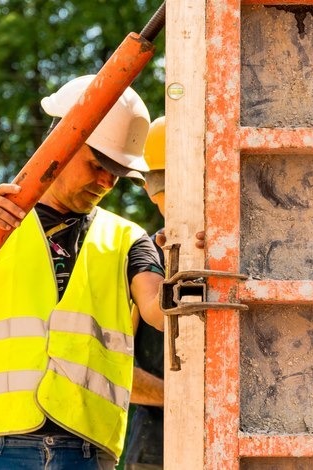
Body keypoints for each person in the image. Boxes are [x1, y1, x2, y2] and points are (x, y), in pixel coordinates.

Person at [0, 75, 167, 470]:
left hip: (87, 450)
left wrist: (190, 256)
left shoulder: (127, 238)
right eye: (98, 165)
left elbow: (159, 308)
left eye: (117, 173)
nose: (107, 182)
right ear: (60, 143)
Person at [123, 116, 204, 470]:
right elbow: (117, 374)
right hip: (158, 451)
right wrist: (188, 398)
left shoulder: (235, 254)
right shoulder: (143, 261)